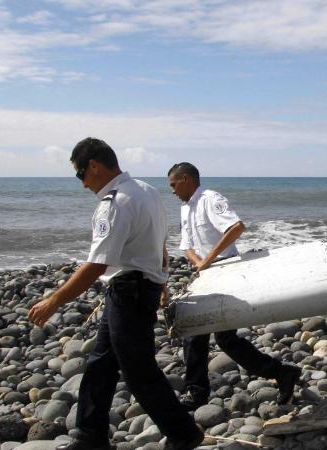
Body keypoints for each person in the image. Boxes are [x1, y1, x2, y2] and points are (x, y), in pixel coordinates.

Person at [28, 138, 203, 450]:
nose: (83, 184)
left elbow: (97, 264)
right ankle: (90, 435)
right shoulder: (146, 191)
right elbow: (158, 245)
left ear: (94, 165)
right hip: (136, 288)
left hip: (129, 291)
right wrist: (161, 282)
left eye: (81, 174)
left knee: (138, 370)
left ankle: (183, 432)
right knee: (101, 363)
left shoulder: (115, 203)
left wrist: (54, 300)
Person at [167, 162, 301, 409]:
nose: (172, 190)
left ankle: (198, 394)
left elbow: (236, 228)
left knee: (217, 336)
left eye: (174, 185)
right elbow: (187, 245)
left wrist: (208, 260)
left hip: (226, 270)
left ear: (185, 179)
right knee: (204, 335)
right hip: (206, 274)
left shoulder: (210, 199)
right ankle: (280, 373)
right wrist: (199, 263)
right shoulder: (185, 208)